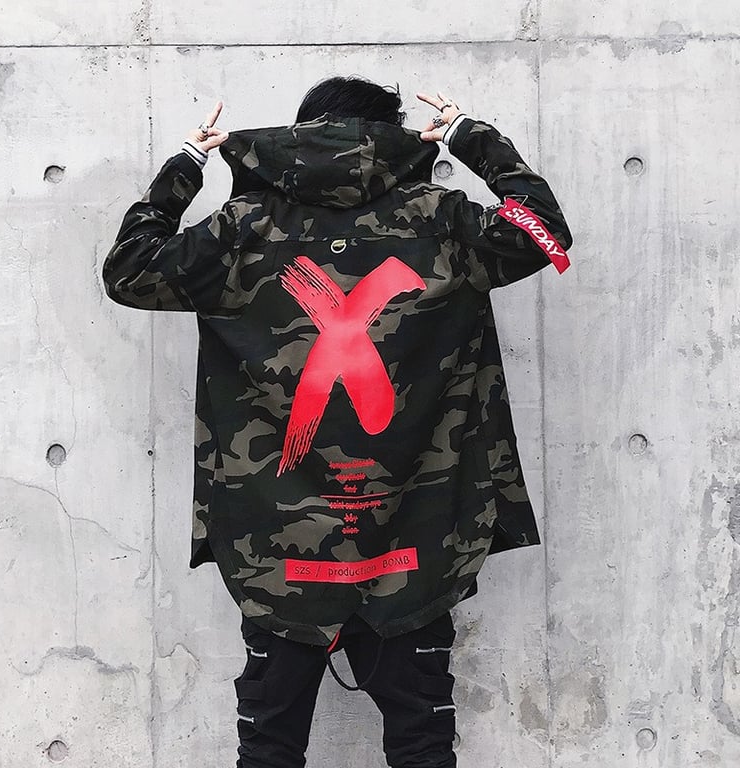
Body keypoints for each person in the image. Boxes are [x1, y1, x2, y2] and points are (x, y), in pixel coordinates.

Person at [104, 75, 572, 768]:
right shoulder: (441, 220)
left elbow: (129, 271)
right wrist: (471, 136)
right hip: (412, 541)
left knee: (269, 746)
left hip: (278, 550)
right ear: (393, 133)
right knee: (422, 743)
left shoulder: (243, 228)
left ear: (302, 131)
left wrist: (186, 163)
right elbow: (544, 234)